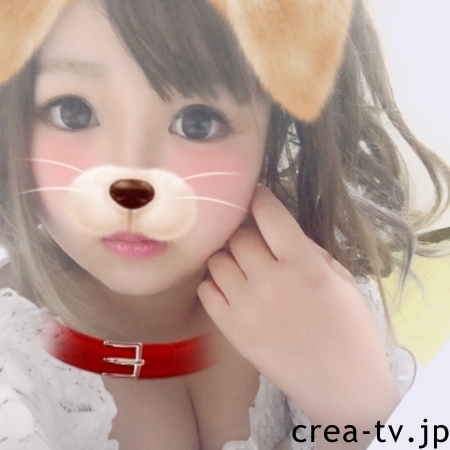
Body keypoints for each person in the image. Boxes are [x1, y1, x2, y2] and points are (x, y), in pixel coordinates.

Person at [0, 0, 449, 449]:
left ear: (274, 130)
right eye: (72, 112)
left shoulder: (315, 286)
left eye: (198, 123)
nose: (131, 176)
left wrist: (361, 408)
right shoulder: (12, 375)